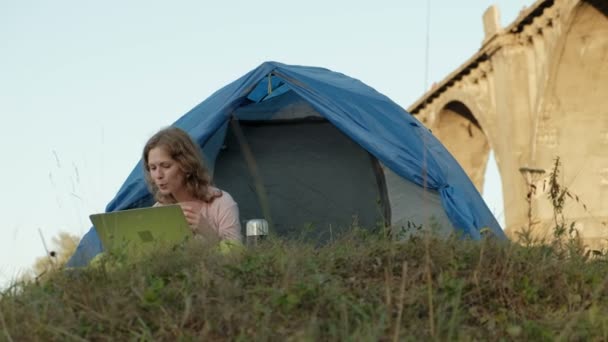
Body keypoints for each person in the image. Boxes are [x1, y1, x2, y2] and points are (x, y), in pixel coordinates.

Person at [142, 127, 243, 244]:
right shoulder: (157, 211)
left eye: (166, 166)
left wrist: (208, 232)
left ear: (187, 165)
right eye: (153, 168)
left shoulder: (221, 203)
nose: (158, 175)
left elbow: (236, 257)